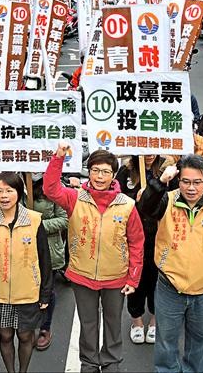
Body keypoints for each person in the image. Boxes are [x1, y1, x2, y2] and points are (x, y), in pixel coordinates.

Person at [43, 143, 144, 372]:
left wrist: (133, 277)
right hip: (82, 274)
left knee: (113, 324)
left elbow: (136, 242)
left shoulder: (127, 205)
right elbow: (50, 189)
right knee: (88, 325)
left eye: (106, 171)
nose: (100, 176)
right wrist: (58, 157)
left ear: (113, 175)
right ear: (88, 172)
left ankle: (111, 363)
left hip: (116, 277)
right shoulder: (75, 198)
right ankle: (88, 364)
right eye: (95, 170)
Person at [138, 155, 203, 373]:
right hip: (169, 288)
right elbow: (145, 207)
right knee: (166, 342)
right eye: (186, 181)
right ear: (178, 180)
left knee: (198, 343)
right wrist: (159, 183)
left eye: (197, 182)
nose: (191, 187)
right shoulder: (166, 200)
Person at [0, 172, 52, 373]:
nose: (4, 196)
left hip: (27, 291)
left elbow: (44, 258)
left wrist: (45, 293)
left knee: (25, 336)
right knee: (5, 336)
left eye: (9, 190)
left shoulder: (34, 219)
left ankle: (23, 371)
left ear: (19, 192)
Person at [115, 155, 174, 345]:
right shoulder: (126, 170)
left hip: (161, 236)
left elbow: (174, 199)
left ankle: (155, 321)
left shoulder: (168, 169)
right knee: (135, 280)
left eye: (153, 149)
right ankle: (137, 322)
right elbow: (116, 197)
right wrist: (135, 197)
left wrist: (152, 194)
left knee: (159, 281)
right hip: (134, 236)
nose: (149, 154)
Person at [29, 173, 69, 351]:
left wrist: (37, 226)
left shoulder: (53, 186)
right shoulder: (16, 184)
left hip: (48, 249)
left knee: (47, 290)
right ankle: (28, 326)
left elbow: (64, 219)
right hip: (22, 250)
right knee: (27, 289)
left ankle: (45, 327)